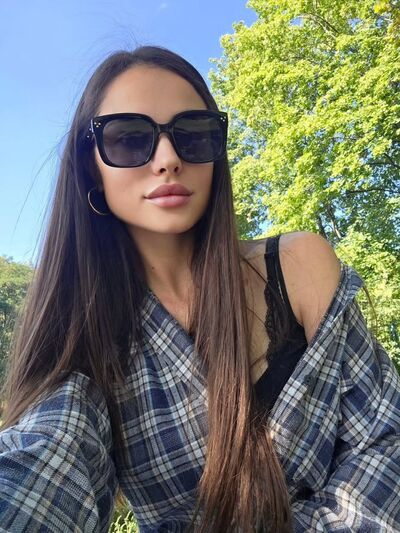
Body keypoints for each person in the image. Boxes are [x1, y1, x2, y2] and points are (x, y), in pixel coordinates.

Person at [0, 46, 399, 533]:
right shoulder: (85, 336)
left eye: (193, 133)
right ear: (91, 167)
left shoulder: (297, 266)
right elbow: (47, 461)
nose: (168, 159)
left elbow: (386, 443)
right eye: (129, 139)